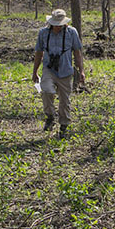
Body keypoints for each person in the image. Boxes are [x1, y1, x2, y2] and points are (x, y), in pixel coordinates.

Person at [32, 9, 85, 139]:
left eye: (59, 24)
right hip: (49, 69)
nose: (57, 27)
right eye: (55, 24)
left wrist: (81, 70)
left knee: (65, 101)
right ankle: (50, 116)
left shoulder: (72, 33)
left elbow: (77, 53)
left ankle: (63, 126)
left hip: (66, 70)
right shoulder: (43, 33)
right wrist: (35, 72)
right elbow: (39, 53)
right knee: (47, 91)